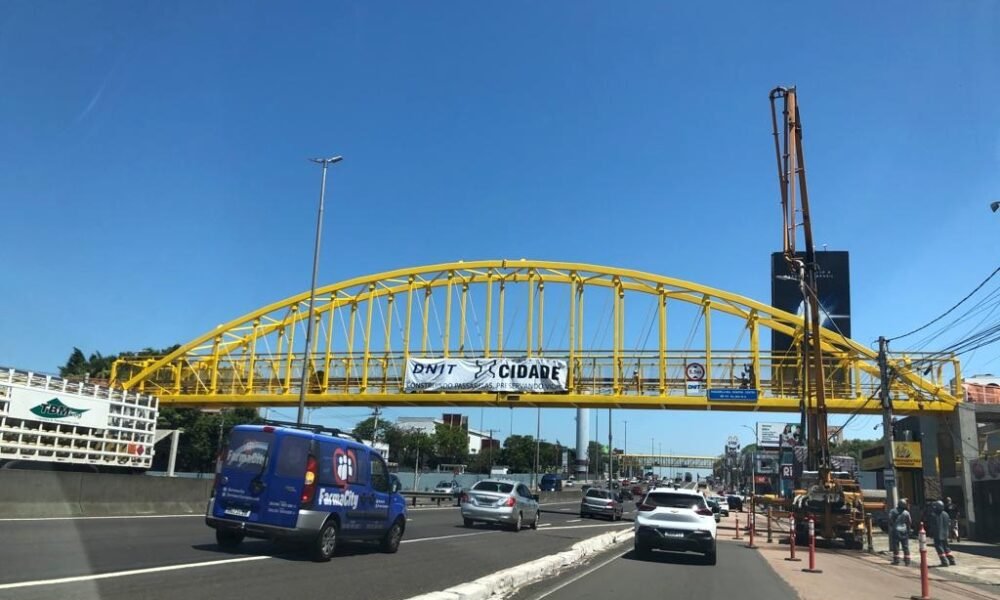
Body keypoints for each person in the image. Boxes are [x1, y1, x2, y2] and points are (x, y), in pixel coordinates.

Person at [931, 500, 956, 567]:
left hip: (938, 534)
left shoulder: (934, 514)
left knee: (939, 547)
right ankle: (951, 560)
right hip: (945, 534)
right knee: (946, 547)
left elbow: (933, 525)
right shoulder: (946, 514)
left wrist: (931, 533)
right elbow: (949, 523)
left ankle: (944, 561)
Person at [888, 498, 912, 566]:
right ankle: (907, 561)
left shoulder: (893, 511)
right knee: (905, 546)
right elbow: (909, 522)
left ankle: (896, 560)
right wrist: (908, 530)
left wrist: (892, 526)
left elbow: (890, 520)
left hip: (896, 530)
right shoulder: (906, 512)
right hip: (904, 531)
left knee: (896, 546)